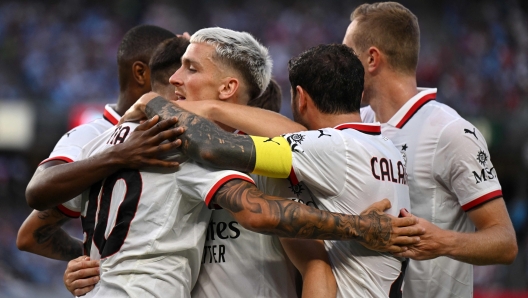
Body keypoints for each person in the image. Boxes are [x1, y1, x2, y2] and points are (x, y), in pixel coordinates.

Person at [123, 43, 413, 297]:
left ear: (300, 98)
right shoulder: (389, 149)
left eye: (192, 69)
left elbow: (215, 146)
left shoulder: (327, 148)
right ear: (358, 93)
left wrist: (172, 104)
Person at [343, 2, 517, 297]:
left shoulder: (451, 132)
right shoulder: (354, 126)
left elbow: (505, 241)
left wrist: (443, 242)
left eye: (347, 55)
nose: (340, 65)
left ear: (372, 59)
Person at [16, 25, 178, 263]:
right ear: (141, 73)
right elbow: (34, 213)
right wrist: (119, 155)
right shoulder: (92, 136)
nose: (180, 80)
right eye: (173, 71)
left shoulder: (178, 129)